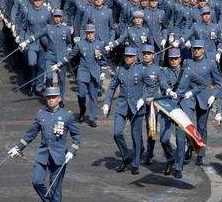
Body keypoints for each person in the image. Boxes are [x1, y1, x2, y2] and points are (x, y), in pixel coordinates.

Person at [8, 86, 81, 202]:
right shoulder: (41, 115)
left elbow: (77, 136)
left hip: (59, 156)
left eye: (53, 97)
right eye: (48, 98)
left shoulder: (67, 115)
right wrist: (18, 147)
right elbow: (30, 134)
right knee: (36, 181)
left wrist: (72, 151)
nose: (51, 100)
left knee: (55, 188)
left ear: (59, 99)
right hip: (43, 155)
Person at [102, 47, 153, 175]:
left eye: (131, 56)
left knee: (136, 138)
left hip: (137, 107)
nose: (128, 58)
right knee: (117, 133)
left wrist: (144, 98)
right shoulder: (120, 70)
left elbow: (151, 86)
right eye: (126, 56)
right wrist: (107, 103)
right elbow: (112, 87)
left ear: (136, 57)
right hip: (122, 106)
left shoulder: (142, 69)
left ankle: (135, 164)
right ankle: (126, 157)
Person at [159, 48, 206, 178]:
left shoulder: (187, 72)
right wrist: (168, 91)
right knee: (163, 138)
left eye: (176, 58)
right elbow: (162, 83)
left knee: (180, 139)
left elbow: (203, 83)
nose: (173, 61)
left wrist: (191, 93)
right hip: (168, 106)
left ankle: (178, 167)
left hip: (183, 108)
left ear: (180, 59)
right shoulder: (164, 71)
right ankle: (170, 158)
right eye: (171, 59)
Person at [62, 23, 107, 127]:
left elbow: (103, 60)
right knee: (81, 94)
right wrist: (60, 63)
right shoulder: (80, 44)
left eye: (91, 32)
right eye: (88, 33)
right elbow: (71, 55)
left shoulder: (100, 44)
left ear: (94, 33)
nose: (90, 34)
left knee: (93, 96)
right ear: (85, 33)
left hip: (95, 73)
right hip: (83, 72)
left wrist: (103, 72)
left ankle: (91, 118)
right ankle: (82, 110)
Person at [186, 40, 222, 166]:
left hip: (204, 98)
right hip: (189, 98)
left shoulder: (210, 64)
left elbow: (219, 83)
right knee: (187, 124)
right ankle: (190, 143)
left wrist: (213, 95)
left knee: (202, 127)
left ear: (203, 50)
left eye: (199, 48)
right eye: (194, 48)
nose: (196, 50)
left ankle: (200, 153)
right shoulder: (187, 62)